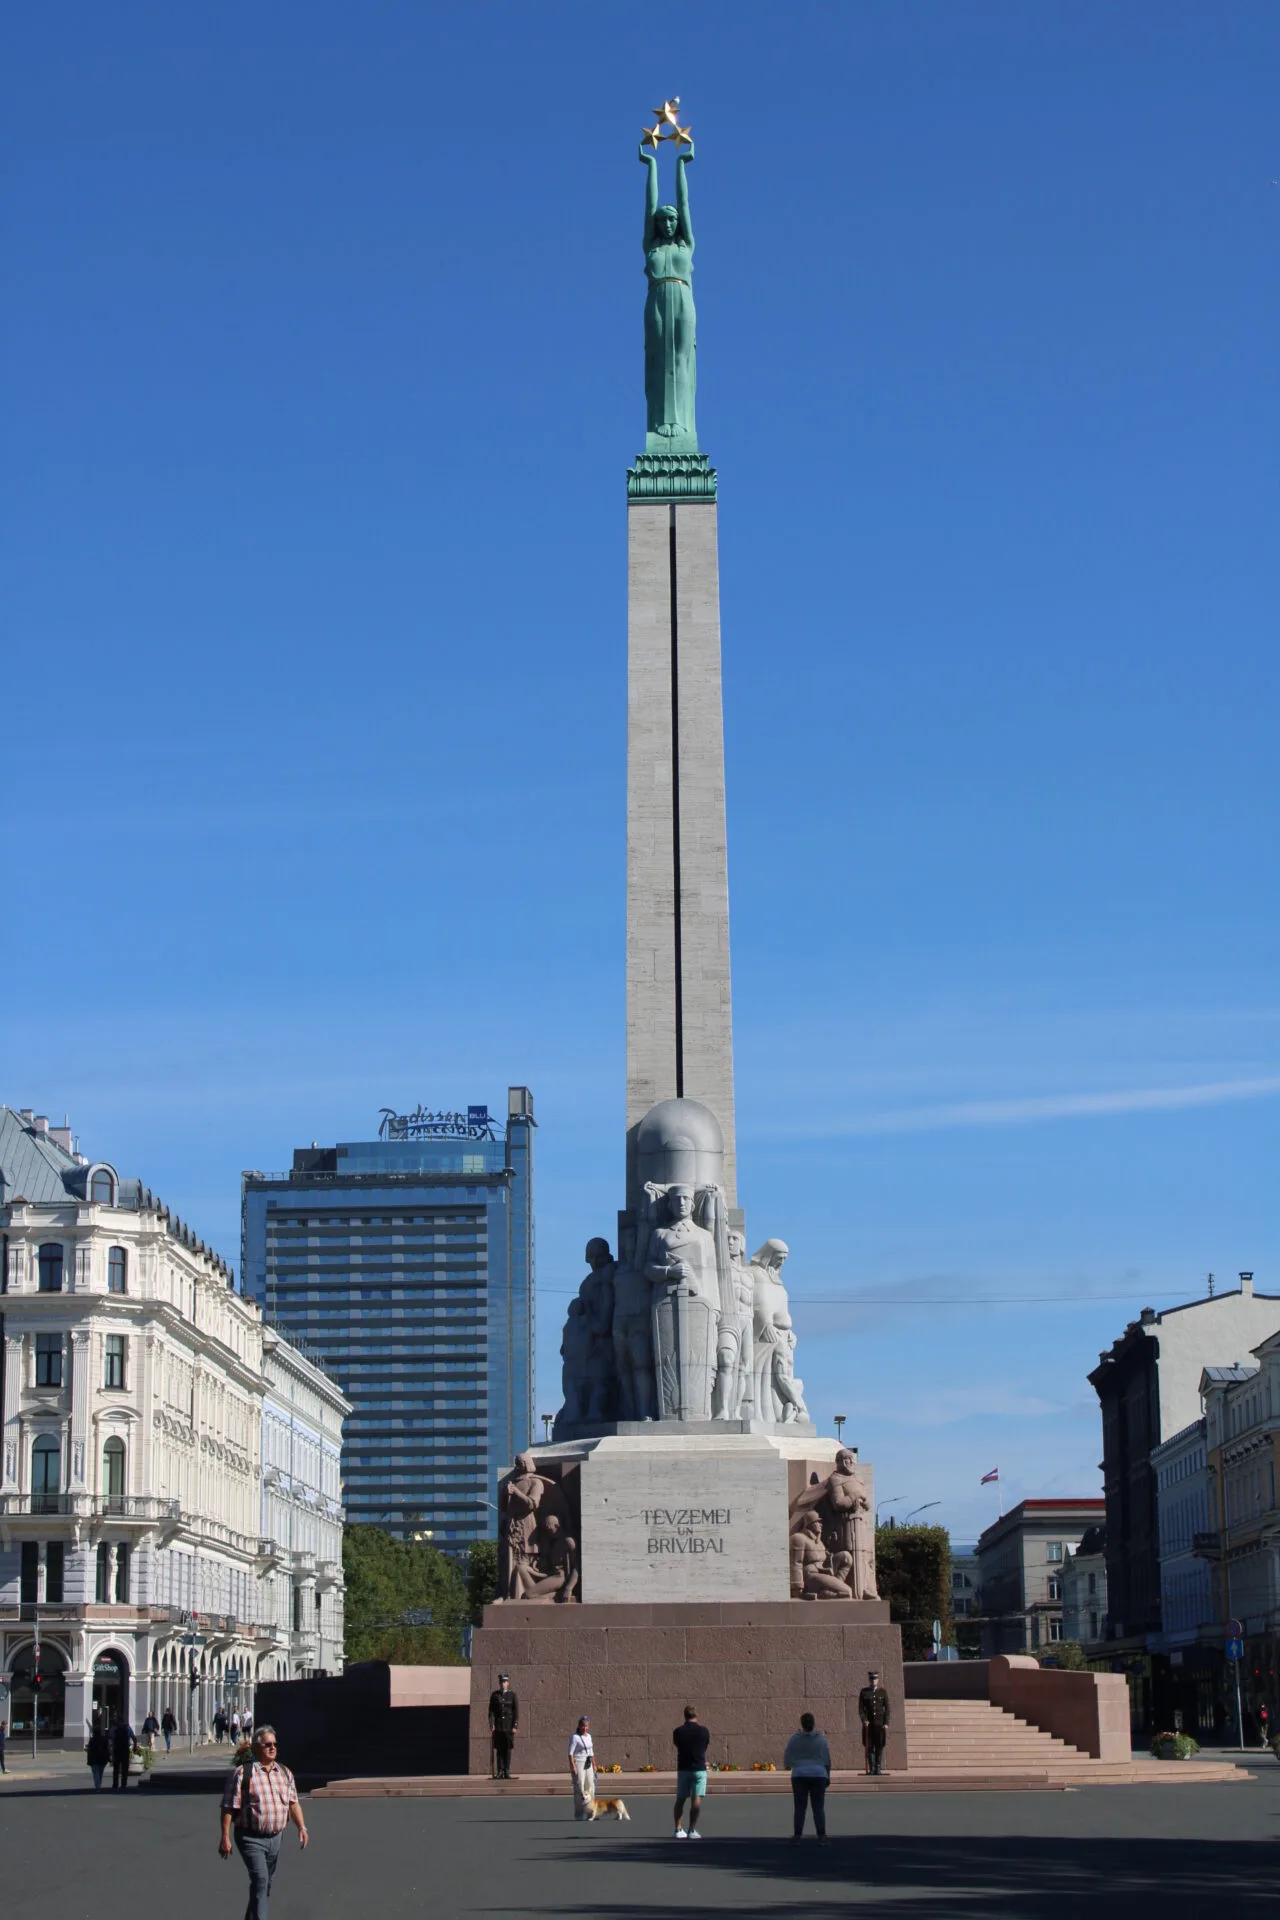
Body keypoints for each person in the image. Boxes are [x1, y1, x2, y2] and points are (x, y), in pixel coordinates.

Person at [219, 1724, 307, 1919]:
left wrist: (301, 1827)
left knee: (265, 1884)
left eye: (275, 1744)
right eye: (267, 1744)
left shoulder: (285, 1773)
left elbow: (293, 1804)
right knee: (260, 1879)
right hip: (250, 1838)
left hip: (276, 1838)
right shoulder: (243, 1774)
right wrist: (225, 1836)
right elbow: (228, 1807)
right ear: (256, 1747)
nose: (272, 1747)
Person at [784, 1712, 831, 1844]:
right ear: (813, 1723)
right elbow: (827, 1759)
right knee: (818, 1807)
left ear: (802, 1724)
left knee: (799, 1807)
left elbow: (788, 1755)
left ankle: (797, 1836)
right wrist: (827, 1776)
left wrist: (789, 1765)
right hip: (818, 1774)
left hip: (800, 1774)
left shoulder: (795, 1738)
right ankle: (822, 1836)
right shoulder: (820, 1739)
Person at [672, 1704, 710, 1839]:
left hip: (683, 1768)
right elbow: (704, 1747)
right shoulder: (704, 1731)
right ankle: (692, 1829)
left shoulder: (678, 1732)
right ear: (696, 1715)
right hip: (699, 1768)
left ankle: (678, 1829)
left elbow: (678, 1745)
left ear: (685, 1716)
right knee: (696, 1799)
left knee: (680, 1799)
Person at [858, 1670, 890, 1776]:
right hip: (869, 1725)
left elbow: (887, 1709)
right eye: (871, 1679)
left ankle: (878, 1768)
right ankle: (871, 1769)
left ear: (878, 1680)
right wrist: (864, 1720)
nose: (873, 1681)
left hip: (880, 1725)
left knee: (879, 1746)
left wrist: (886, 1723)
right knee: (869, 1747)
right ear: (869, 1679)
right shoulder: (864, 1692)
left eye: (875, 1679)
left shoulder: (883, 1692)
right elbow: (861, 1709)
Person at [488, 1673, 519, 1779]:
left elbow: (515, 1712)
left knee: (508, 1749)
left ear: (508, 1683)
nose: (503, 1684)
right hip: (498, 1726)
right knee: (499, 1749)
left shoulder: (512, 1695)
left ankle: (506, 1770)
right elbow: (491, 1711)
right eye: (501, 1682)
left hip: (508, 1727)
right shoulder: (495, 1695)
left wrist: (515, 1726)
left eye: (504, 1682)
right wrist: (491, 1724)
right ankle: (499, 1771)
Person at [568, 1715, 595, 1820]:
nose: (584, 1728)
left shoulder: (589, 1736)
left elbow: (591, 1752)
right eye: (583, 1726)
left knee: (591, 1786)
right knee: (580, 1788)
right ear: (579, 1726)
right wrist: (573, 1766)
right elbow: (570, 1753)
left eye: (586, 1726)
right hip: (579, 1762)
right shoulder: (574, 1737)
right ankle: (579, 1814)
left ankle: (591, 1812)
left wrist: (594, 1764)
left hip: (588, 1763)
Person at [110, 1714, 138, 1790]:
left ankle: (115, 1784)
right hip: (125, 1749)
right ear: (123, 1721)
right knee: (125, 1768)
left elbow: (111, 1738)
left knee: (116, 1768)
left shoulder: (114, 1728)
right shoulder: (127, 1728)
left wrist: (110, 1749)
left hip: (117, 1750)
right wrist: (135, 1746)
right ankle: (124, 1784)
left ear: (117, 1721)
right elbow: (134, 1738)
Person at [86, 1717, 110, 1790]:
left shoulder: (92, 1740)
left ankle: (97, 1785)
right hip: (102, 1758)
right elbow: (107, 1749)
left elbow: (89, 1750)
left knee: (95, 1772)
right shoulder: (104, 1739)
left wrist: (89, 1759)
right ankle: (98, 1785)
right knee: (100, 1772)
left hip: (94, 1759)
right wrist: (108, 1757)